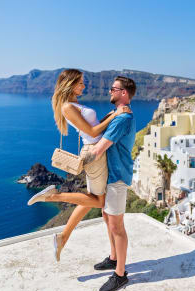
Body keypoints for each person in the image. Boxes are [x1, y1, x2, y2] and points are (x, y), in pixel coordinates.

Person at [27, 69, 131, 263]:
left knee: (89, 201)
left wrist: (108, 116)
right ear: (70, 84)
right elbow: (91, 131)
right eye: (81, 83)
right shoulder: (67, 106)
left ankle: (63, 237)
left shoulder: (73, 104)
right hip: (95, 154)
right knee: (99, 202)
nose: (84, 86)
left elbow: (92, 129)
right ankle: (52, 196)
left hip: (95, 150)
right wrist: (115, 115)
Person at [82, 76, 136, 291]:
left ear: (124, 93)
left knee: (117, 226)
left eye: (114, 88)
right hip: (110, 175)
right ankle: (114, 259)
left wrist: (78, 164)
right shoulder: (117, 115)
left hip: (118, 176)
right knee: (107, 218)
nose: (109, 90)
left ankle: (121, 275)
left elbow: (98, 149)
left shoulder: (122, 119)